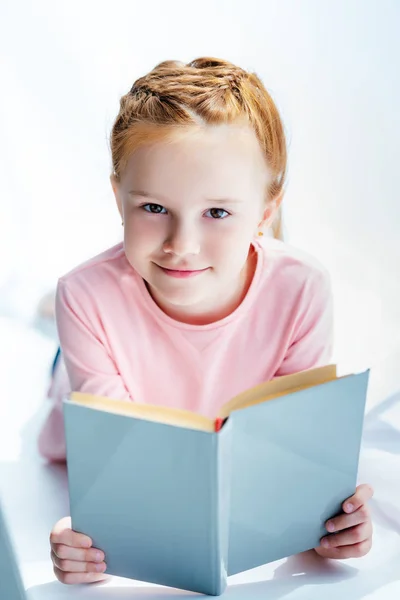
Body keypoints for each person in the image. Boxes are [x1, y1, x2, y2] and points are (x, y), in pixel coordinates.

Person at [40, 57, 373, 585]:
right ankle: (51, 340)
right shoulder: (83, 295)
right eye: (153, 207)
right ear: (118, 199)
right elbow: (120, 474)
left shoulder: (303, 287)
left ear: (264, 214)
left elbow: (292, 454)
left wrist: (333, 523)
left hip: (205, 401)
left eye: (217, 213)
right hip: (105, 373)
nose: (182, 247)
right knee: (60, 366)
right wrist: (86, 538)